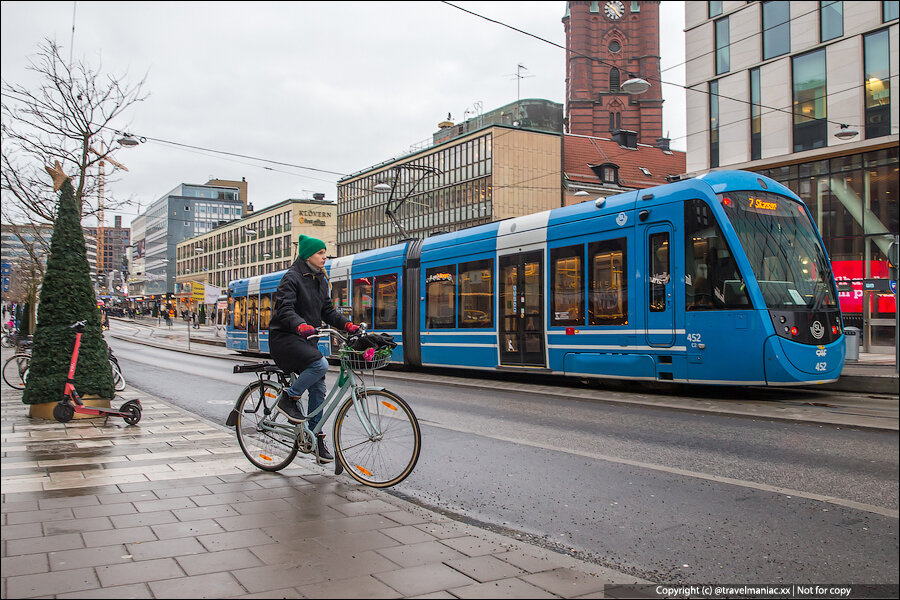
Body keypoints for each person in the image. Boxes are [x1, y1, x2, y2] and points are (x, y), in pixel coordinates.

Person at [268, 234, 359, 463]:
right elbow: (285, 310)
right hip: (286, 340)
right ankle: (289, 398)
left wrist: (347, 325)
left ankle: (314, 435)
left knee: (319, 389)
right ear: (308, 254)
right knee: (321, 364)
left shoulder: (320, 279)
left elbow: (327, 312)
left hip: (306, 341)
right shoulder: (292, 278)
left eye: (324, 253)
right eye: (320, 253)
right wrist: (300, 325)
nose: (324, 257)